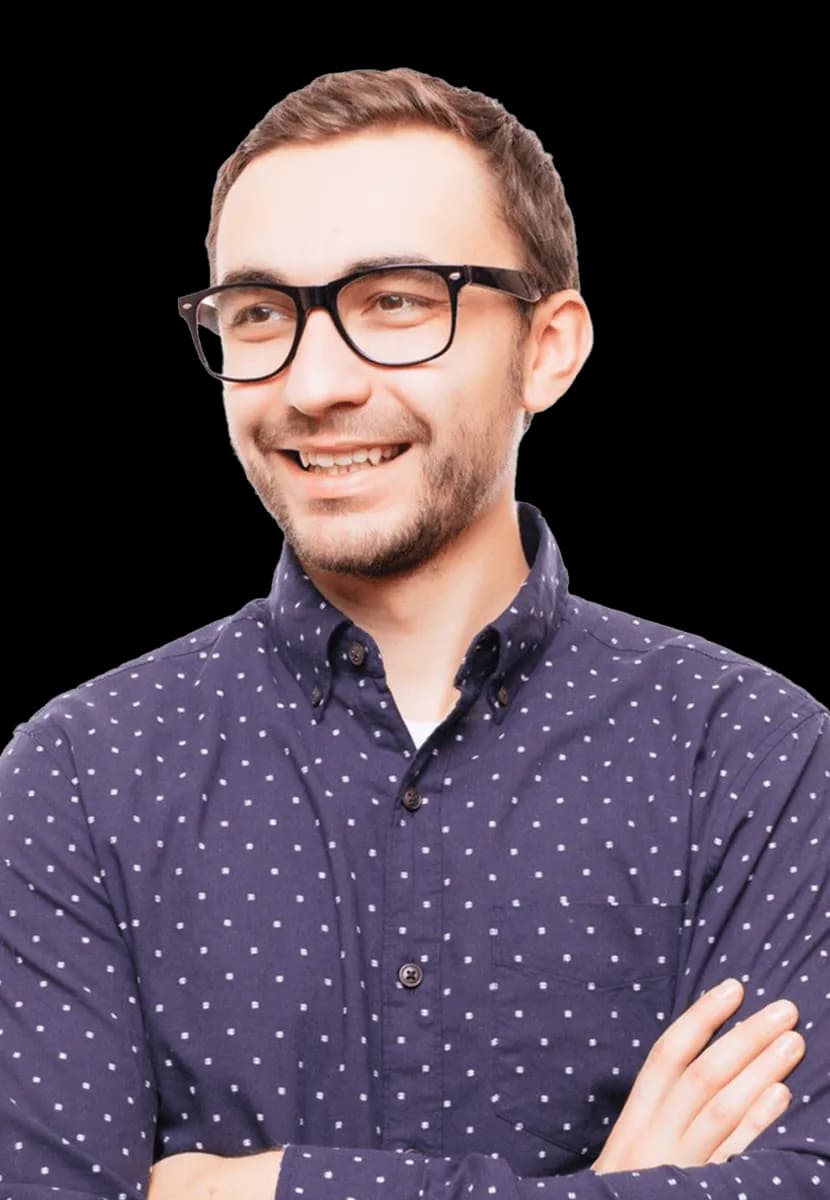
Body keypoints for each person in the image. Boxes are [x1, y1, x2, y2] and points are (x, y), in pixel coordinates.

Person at [1, 66, 826, 1200]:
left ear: (547, 348)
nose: (314, 380)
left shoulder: (756, 756)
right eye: (259, 314)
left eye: (395, 300)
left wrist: (255, 1187)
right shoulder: (75, 776)